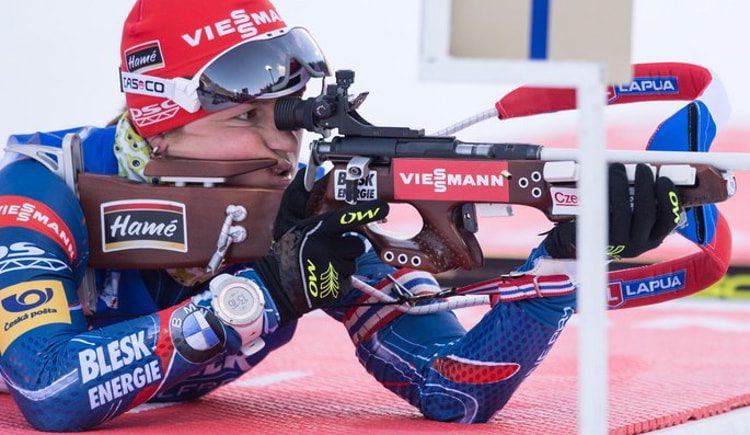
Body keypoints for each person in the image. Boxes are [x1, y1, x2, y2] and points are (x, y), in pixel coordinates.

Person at [0, 0, 688, 431]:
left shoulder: (306, 206)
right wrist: (261, 295)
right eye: (246, 116)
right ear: (160, 123)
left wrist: (567, 257)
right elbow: (49, 386)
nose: (283, 142)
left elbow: (455, 386)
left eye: (292, 113)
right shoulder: (39, 186)